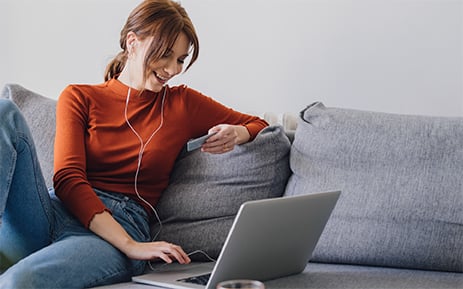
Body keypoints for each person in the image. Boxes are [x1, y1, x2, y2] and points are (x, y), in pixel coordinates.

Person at [0, 0, 268, 287]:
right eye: (165, 54)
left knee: (19, 281)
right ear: (132, 42)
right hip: (52, 211)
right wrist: (130, 245)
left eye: (180, 59)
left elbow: (259, 124)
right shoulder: (79, 97)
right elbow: (67, 179)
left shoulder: (182, 104)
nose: (172, 69)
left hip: (119, 227)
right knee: (5, 112)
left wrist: (237, 133)